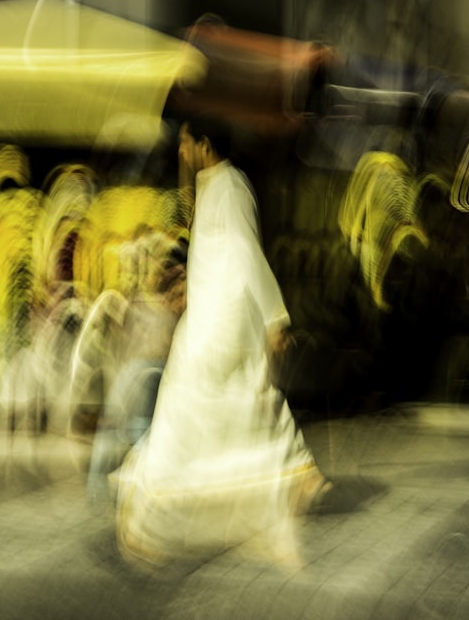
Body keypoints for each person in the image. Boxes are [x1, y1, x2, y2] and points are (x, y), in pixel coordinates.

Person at [114, 117, 331, 571]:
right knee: (236, 411)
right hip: (212, 320)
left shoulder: (230, 186)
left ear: (205, 145)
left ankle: (148, 528)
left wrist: (274, 316)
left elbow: (246, 253)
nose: (180, 152)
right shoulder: (213, 186)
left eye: (186, 143)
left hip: (219, 325)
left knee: (189, 416)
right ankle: (290, 480)